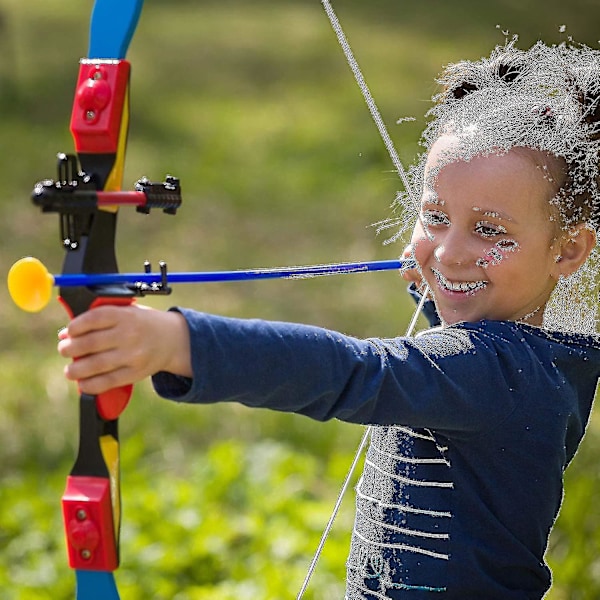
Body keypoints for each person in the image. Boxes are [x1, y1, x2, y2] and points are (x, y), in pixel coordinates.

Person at [58, 41, 600, 598]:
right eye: (436, 218)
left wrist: (178, 342)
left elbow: (351, 371)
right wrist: (443, 300)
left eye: (489, 231)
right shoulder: (517, 365)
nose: (450, 253)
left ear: (567, 250)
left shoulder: (499, 372)